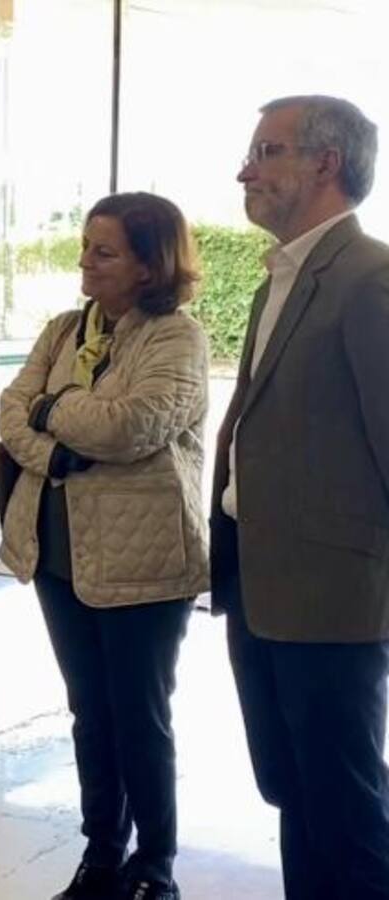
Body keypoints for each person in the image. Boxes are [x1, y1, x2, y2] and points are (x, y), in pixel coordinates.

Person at [0, 192, 208, 900]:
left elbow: (131, 427)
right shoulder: (63, 330)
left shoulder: (177, 339)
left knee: (139, 717)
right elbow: (11, 412)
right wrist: (55, 451)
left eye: (104, 251)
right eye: (86, 246)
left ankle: (155, 866)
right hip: (58, 554)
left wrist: (54, 408)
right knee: (90, 712)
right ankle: (101, 855)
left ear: (149, 266)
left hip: (144, 563)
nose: (85, 261)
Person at [211, 95, 389, 899]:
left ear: (326, 163)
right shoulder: (277, 281)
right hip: (259, 587)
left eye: (267, 151)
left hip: (334, 599)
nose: (245, 170)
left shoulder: (370, 278)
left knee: (346, 812)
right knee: (294, 793)